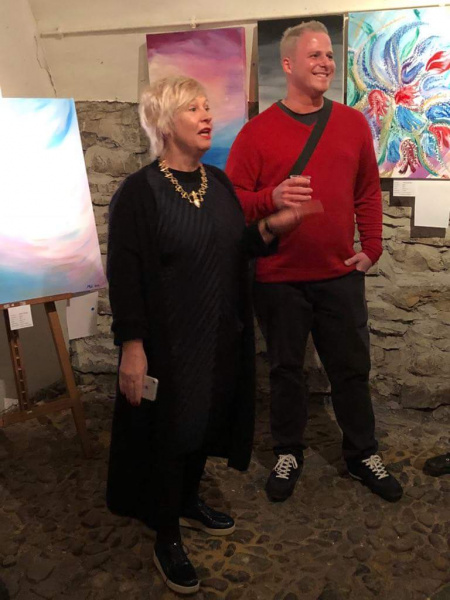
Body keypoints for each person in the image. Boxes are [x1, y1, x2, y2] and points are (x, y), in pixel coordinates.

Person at [106, 76, 322, 595]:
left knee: (204, 424)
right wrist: (132, 347)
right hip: (170, 343)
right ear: (165, 123)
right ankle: (165, 534)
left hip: (220, 333)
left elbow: (234, 247)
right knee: (171, 434)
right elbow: (126, 276)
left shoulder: (218, 184)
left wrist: (271, 228)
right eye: (193, 109)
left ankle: (187, 501)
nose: (207, 116)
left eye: (207, 107)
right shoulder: (140, 193)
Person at [226, 21, 403, 504]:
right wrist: (272, 197)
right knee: (286, 371)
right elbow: (232, 199)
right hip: (278, 279)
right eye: (314, 55)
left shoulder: (352, 124)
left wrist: (372, 247)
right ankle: (288, 451)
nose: (326, 62)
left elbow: (367, 190)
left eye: (328, 54)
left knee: (351, 371)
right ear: (288, 65)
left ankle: (362, 453)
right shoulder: (257, 132)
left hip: (340, 274)